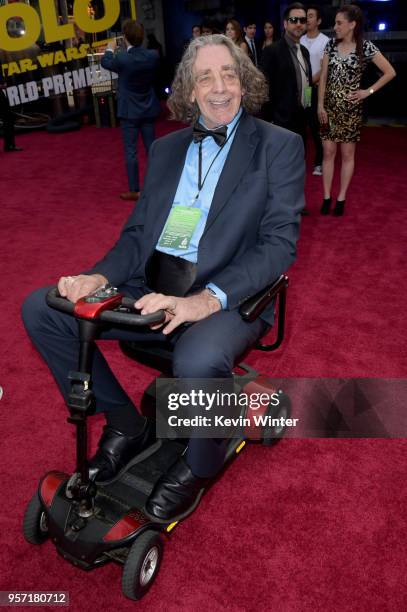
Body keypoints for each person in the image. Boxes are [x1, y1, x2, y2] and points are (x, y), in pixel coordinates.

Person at [22, 34, 304, 522]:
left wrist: (203, 302)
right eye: (205, 78)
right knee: (43, 310)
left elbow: (278, 245)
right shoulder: (169, 147)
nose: (219, 88)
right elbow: (137, 235)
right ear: (189, 91)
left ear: (245, 82)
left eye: (229, 74)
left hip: (231, 293)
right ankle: (127, 423)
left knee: (197, 357)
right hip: (151, 282)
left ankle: (200, 462)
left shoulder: (279, 146)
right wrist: (97, 276)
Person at [318, 5, 395, 216]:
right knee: (328, 153)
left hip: (351, 111)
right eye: (335, 23)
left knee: (347, 154)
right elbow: (323, 78)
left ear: (352, 24)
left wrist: (367, 91)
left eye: (339, 23)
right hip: (329, 110)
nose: (335, 27)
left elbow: (390, 72)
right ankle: (326, 197)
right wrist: (320, 105)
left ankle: (341, 198)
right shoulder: (330, 46)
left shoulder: (366, 47)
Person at [101, 19, 161, 201]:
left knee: (131, 150)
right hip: (148, 108)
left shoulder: (122, 59)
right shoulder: (152, 55)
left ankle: (134, 190)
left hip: (129, 111)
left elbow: (105, 62)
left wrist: (110, 48)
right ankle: (156, 187)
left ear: (124, 38)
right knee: (152, 149)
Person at [260, 3, 311, 214]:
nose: (299, 24)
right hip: (280, 120)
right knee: (280, 167)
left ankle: (296, 204)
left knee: (299, 163)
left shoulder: (304, 51)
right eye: (294, 20)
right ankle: (278, 207)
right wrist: (269, 120)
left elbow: (306, 82)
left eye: (302, 20)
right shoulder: (272, 51)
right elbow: (264, 87)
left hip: (301, 117)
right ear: (285, 23)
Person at [300, 5, 329, 176]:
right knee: (301, 126)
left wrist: (308, 81)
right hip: (302, 90)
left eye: (310, 16)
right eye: (306, 16)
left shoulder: (325, 41)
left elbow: (324, 69)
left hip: (314, 89)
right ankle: (299, 161)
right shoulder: (300, 39)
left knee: (316, 126)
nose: (307, 19)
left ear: (318, 21)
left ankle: (319, 162)